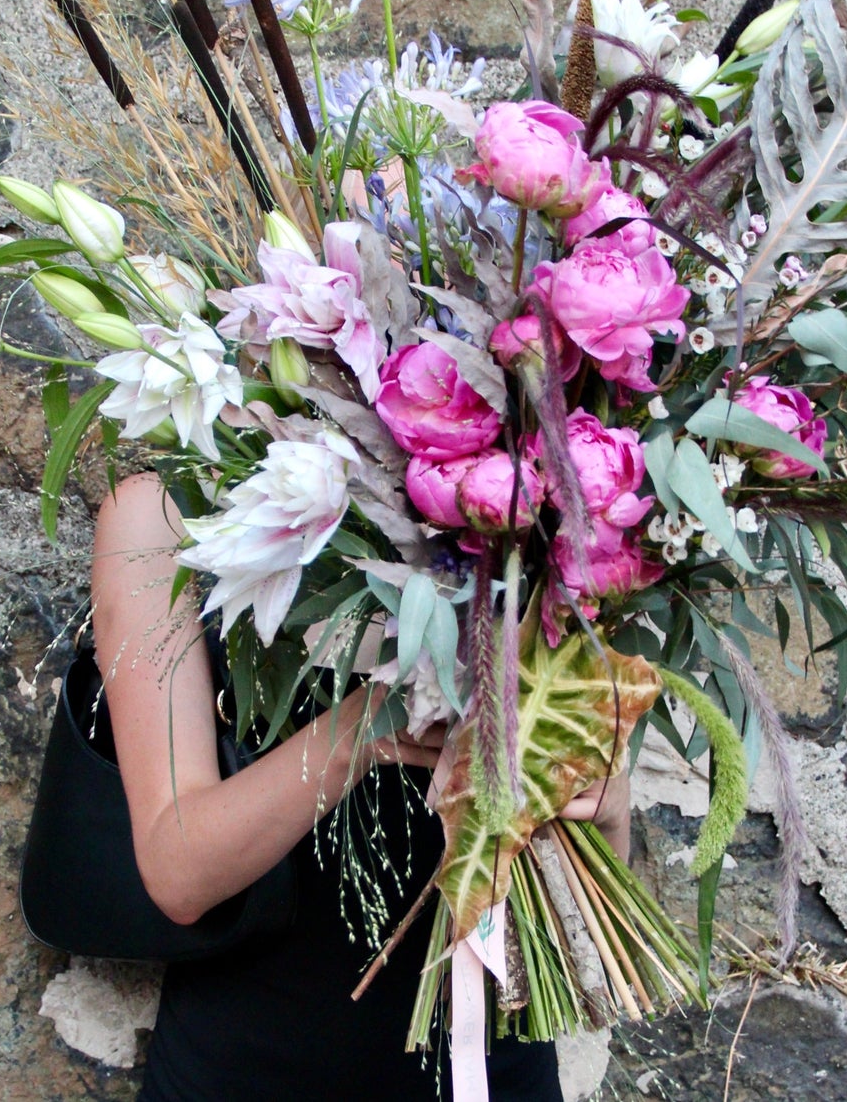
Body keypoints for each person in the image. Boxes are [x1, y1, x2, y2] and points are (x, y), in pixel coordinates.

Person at [91, 469, 633, 1101]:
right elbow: (177, 871)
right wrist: (363, 729)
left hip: (489, 1076)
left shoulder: (542, 489)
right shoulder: (161, 512)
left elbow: (579, 937)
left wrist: (607, 811)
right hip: (253, 1073)